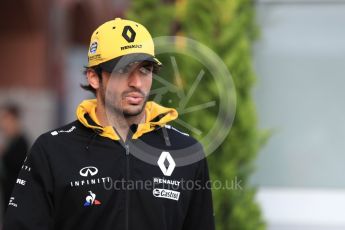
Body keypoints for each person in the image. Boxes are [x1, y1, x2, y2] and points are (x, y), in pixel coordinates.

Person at [3, 18, 215, 230]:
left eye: (145, 70)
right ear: (94, 77)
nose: (137, 82)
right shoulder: (52, 150)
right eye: (123, 70)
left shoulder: (186, 151)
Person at [0, 104, 28, 214]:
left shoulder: (21, 142)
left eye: (6, 119)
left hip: (16, 195)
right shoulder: (10, 141)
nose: (3, 124)